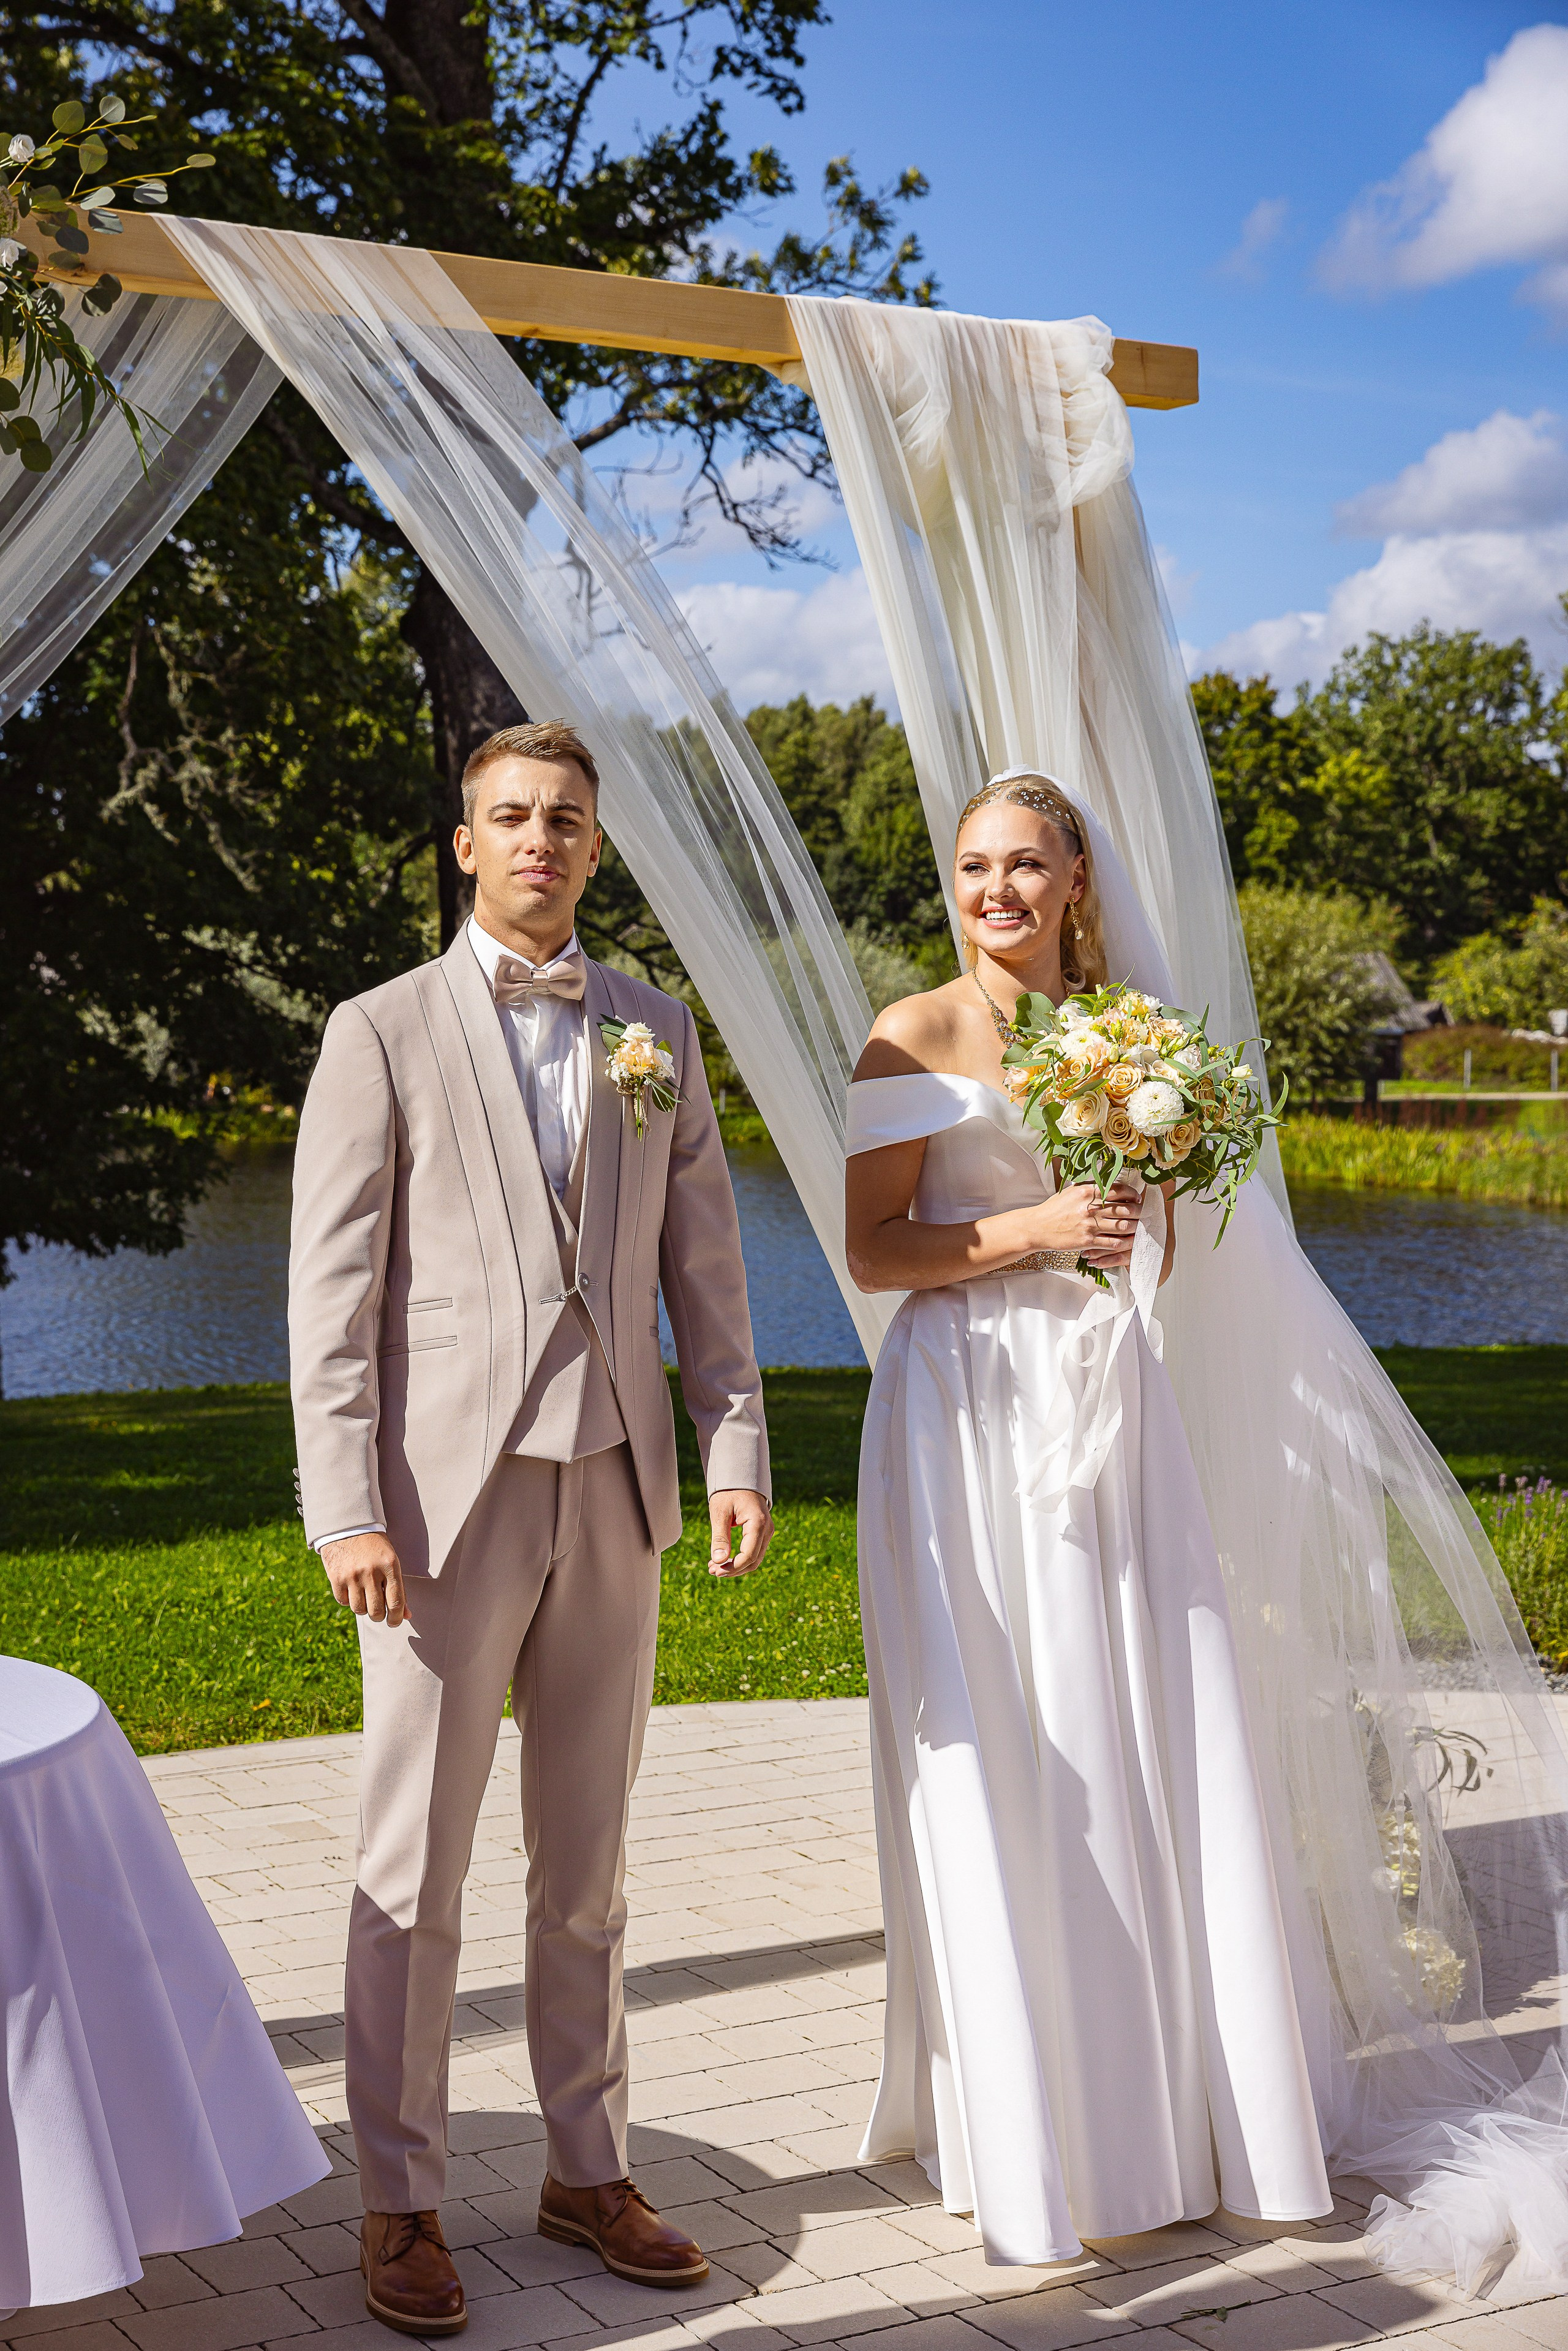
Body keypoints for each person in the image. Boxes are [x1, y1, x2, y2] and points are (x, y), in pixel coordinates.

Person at [289, 719, 773, 2334]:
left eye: (568, 818)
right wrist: (347, 1499)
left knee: (589, 1861)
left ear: (593, 842)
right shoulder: (380, 1032)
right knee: (410, 1864)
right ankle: (401, 2192)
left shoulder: (658, 1030)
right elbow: (334, 1300)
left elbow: (706, 1271)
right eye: (514, 816)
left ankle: (587, 2160)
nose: (543, 840)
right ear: (466, 842)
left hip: (619, 1488)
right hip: (439, 1506)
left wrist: (735, 1443)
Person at [843, 772, 1333, 2265]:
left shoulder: (1132, 1040)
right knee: (1008, 1730)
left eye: (1024, 864)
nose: (995, 889)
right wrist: (1034, 1231)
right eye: (972, 864)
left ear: (1073, 883)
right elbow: (870, 1249)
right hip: (962, 1410)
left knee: (1138, 1716)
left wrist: (1138, 1199)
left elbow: (1163, 1247)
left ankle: (1164, 2102)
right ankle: (1026, 2121)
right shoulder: (906, 1033)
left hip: (1107, 1391)